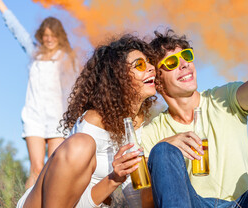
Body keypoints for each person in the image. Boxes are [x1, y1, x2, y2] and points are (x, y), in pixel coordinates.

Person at [140, 0, 248, 207]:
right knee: (162, 151)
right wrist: (164, 147)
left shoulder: (224, 99)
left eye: (186, 55)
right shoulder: (151, 133)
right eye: (171, 62)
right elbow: (145, 199)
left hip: (244, 203)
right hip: (193, 203)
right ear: (157, 81)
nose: (184, 64)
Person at [16, 34, 157, 207]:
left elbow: (136, 196)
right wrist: (114, 179)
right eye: (140, 65)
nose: (151, 67)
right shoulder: (92, 124)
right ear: (119, 77)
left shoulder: (140, 125)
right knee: (81, 144)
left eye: (150, 61)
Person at [0, 0, 79, 189]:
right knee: (36, 168)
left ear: (59, 36)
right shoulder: (33, 51)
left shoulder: (67, 57)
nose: (49, 39)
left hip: (57, 118)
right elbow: (16, 29)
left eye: (53, 35)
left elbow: (78, 85)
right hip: (34, 116)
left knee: (55, 168)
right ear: (41, 36)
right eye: (45, 35)